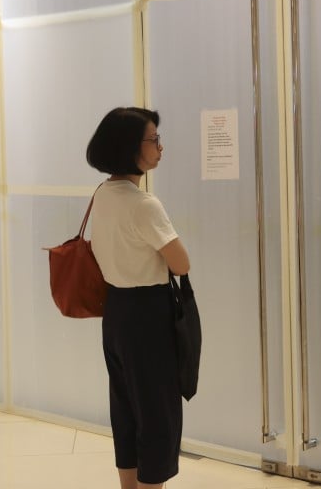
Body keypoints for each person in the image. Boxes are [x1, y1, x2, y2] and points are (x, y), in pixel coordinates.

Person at [86, 106, 191, 489]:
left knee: (126, 407)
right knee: (157, 413)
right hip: (148, 315)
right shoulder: (144, 204)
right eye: (154, 139)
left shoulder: (103, 194)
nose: (160, 147)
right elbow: (181, 264)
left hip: (116, 312)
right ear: (130, 146)